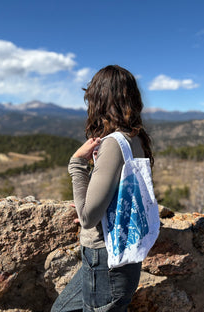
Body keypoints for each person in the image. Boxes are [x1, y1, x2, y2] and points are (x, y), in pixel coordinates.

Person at [51, 65, 155, 312]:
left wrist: (77, 164)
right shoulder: (137, 138)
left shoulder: (113, 144)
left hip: (105, 257)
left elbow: (87, 217)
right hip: (123, 250)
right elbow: (121, 193)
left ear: (100, 100)